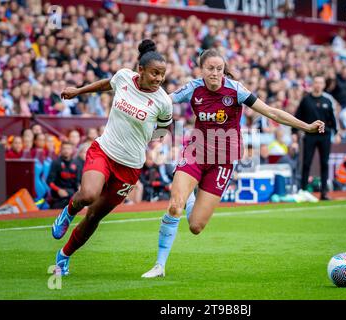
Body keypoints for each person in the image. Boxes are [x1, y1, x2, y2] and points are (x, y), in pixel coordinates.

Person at [141, 48, 325, 278]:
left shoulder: (236, 90)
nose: (215, 73)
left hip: (223, 162)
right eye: (210, 68)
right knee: (174, 205)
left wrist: (306, 126)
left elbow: (271, 113)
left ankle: (190, 199)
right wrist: (141, 105)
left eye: (219, 69)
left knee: (196, 226)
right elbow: (164, 101)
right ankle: (159, 265)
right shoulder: (193, 87)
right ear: (202, 69)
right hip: (196, 153)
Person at [50, 39, 173, 276]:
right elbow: (106, 84)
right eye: (155, 73)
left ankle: (64, 256)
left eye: (162, 75)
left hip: (130, 166)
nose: (159, 79)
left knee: (95, 216)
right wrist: (78, 91)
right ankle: (68, 211)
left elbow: (164, 128)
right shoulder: (124, 77)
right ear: (141, 70)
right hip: (104, 151)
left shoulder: (163, 101)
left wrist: (151, 139)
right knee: (88, 195)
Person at [292, 75, 340, 201]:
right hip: (309, 135)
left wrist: (336, 132)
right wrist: (294, 133)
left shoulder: (327, 101)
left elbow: (332, 119)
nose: (318, 85)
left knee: (324, 163)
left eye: (320, 82)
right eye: (316, 82)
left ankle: (324, 192)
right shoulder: (306, 100)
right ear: (313, 84)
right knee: (306, 162)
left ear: (324, 85)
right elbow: (297, 117)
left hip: (325, 136)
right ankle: (303, 190)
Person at [47, 142, 82, 209]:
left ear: (72, 150)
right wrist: (59, 190)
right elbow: (49, 181)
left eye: (68, 148)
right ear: (60, 150)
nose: (66, 151)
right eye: (64, 148)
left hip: (72, 194)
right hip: (59, 195)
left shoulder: (77, 163)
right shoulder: (55, 163)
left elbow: (78, 182)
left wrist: (80, 189)